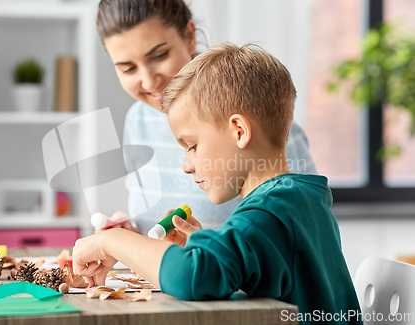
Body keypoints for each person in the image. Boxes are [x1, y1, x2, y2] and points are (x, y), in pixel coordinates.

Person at [73, 43, 361, 324]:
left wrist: (112, 241)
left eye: (192, 146)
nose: (187, 166)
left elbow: (193, 276)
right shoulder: (299, 199)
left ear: (239, 131)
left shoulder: (268, 214)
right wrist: (206, 246)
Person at [96, 0, 317, 234]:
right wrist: (131, 237)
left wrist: (204, 255)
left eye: (160, 55)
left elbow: (307, 233)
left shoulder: (257, 117)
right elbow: (157, 236)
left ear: (189, 36)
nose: (149, 81)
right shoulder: (137, 121)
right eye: (128, 69)